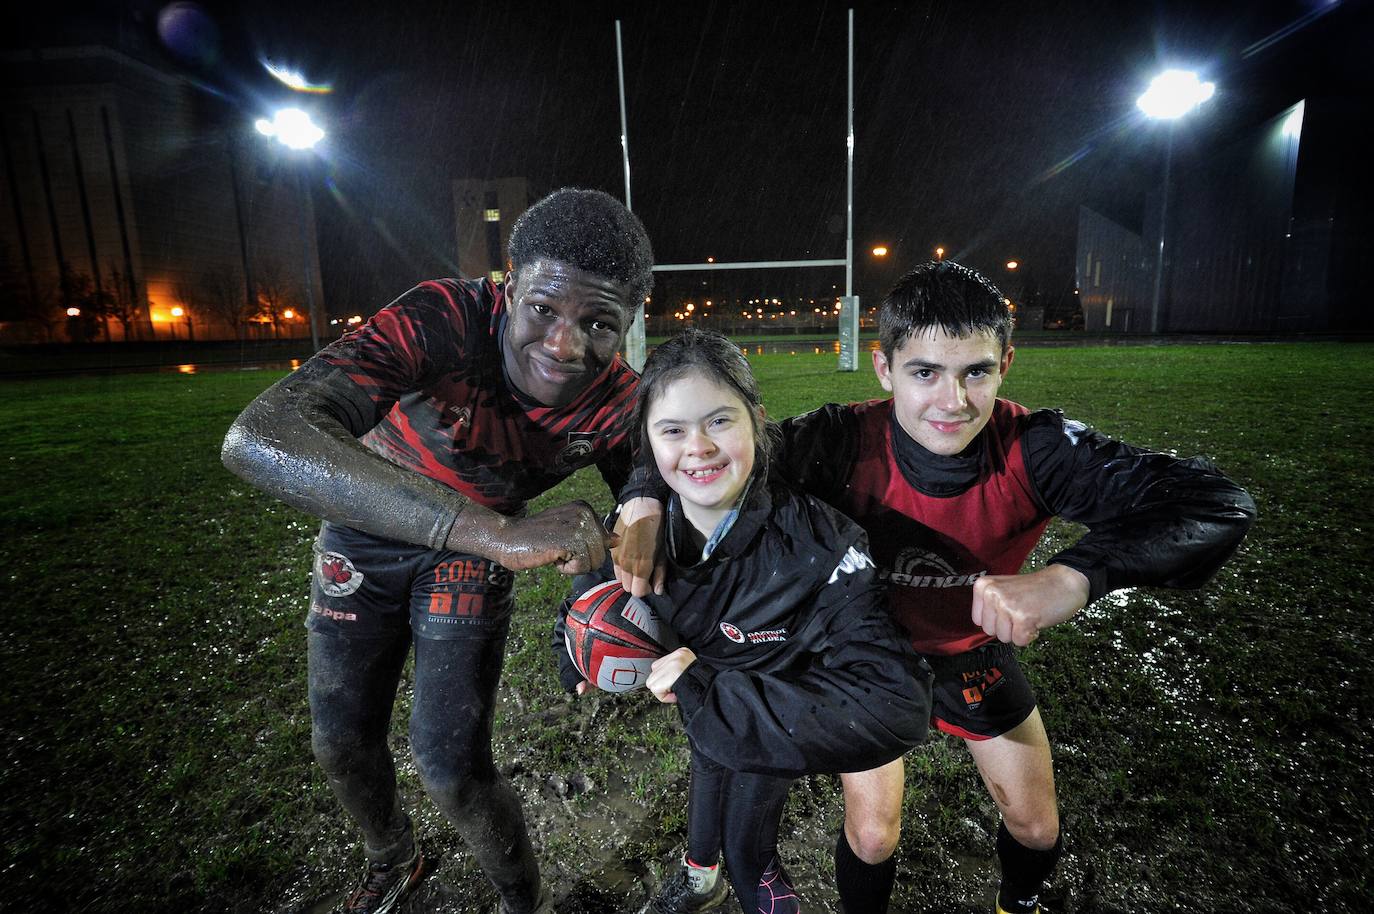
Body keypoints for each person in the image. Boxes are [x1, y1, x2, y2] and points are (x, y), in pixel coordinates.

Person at [613, 261, 1256, 914]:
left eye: (975, 371)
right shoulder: (838, 441)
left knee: (1036, 826)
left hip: (968, 651)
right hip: (857, 659)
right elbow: (709, 445)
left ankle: (1019, 905)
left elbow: (1215, 504)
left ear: (1006, 361)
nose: (952, 401)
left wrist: (1074, 576)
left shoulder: (1035, 448)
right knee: (871, 834)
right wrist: (640, 501)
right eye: (925, 373)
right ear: (884, 368)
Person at [221, 187, 658, 914]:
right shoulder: (446, 317)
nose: (563, 345)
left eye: (599, 323)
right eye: (544, 309)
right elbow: (261, 436)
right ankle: (393, 858)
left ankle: (523, 904)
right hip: (372, 532)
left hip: (464, 559)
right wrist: (498, 533)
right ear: (508, 285)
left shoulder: (619, 401)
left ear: (632, 323)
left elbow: (655, 490)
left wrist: (636, 518)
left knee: (452, 767)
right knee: (340, 742)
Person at [555, 328, 932, 914]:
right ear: (648, 447)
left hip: (765, 714)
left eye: (720, 421)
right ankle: (701, 878)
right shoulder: (637, 529)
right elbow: (590, 595)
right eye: (673, 430)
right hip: (708, 699)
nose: (698, 447)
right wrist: (572, 647)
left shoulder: (818, 544)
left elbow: (898, 701)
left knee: (748, 851)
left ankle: (746, 883)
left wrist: (712, 690)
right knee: (707, 767)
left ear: (757, 419)